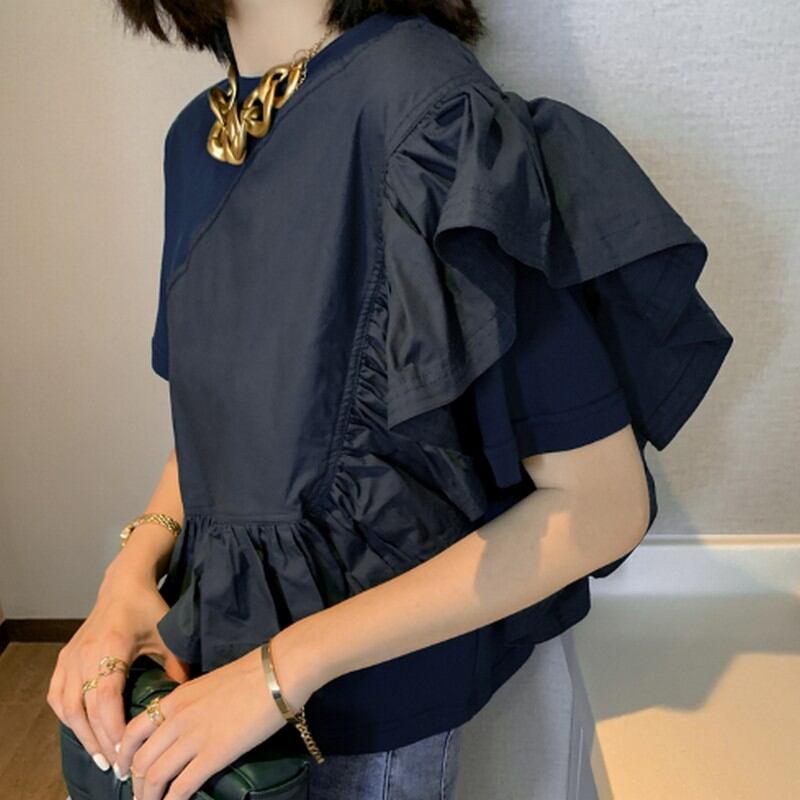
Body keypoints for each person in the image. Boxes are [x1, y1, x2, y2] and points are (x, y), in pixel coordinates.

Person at [48, 2, 734, 798]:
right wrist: (128, 576)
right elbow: (229, 426)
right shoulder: (194, 141)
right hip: (205, 669)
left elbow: (602, 506)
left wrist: (278, 673)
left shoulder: (428, 110)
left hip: (365, 722)